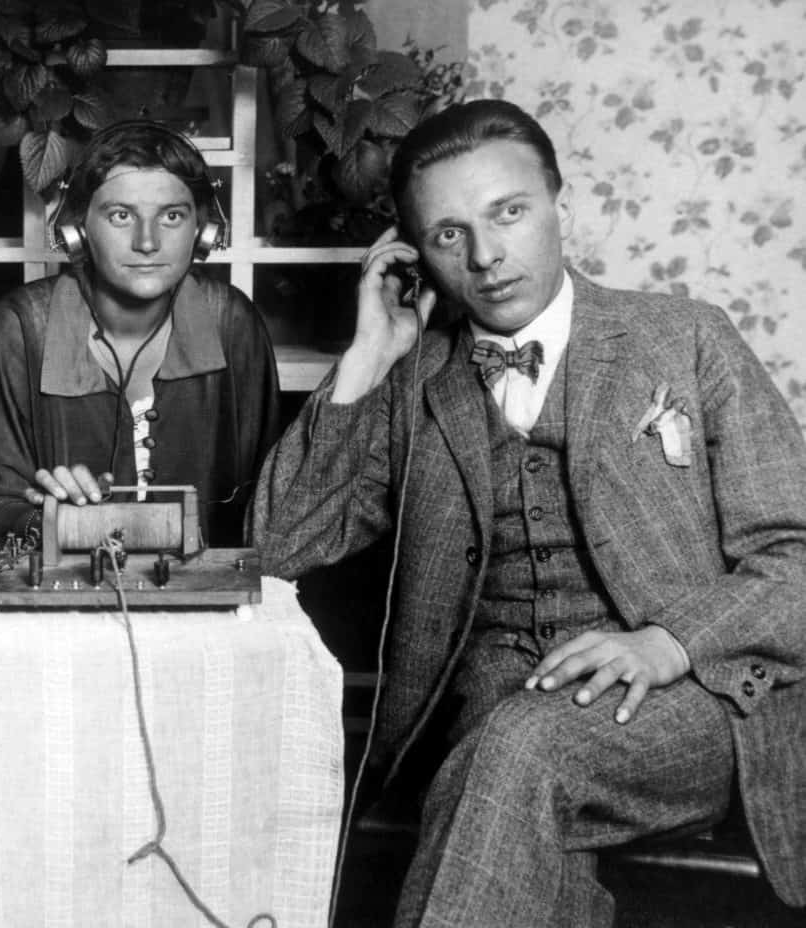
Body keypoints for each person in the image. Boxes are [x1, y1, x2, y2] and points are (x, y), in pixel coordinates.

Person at [252, 98, 806, 925]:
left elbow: (796, 560)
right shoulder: (411, 379)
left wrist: (668, 642)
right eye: (448, 234)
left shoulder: (685, 339)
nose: (485, 255)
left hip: (688, 704)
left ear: (560, 208)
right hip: (486, 716)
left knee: (518, 748)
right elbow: (279, 541)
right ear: (419, 255)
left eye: (508, 213)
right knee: (511, 767)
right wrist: (368, 353)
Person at [0, 119, 281, 564]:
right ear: (75, 231)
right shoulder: (23, 326)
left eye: (172, 216)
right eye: (121, 215)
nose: (147, 242)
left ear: (202, 232)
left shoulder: (231, 322)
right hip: (63, 610)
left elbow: (270, 506)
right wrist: (51, 515)